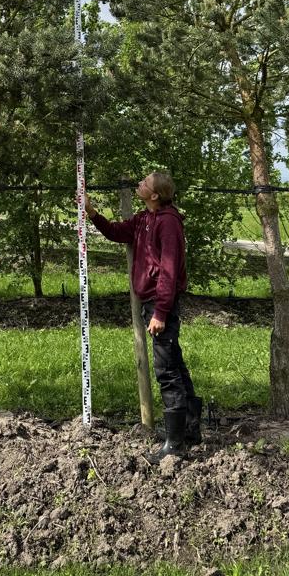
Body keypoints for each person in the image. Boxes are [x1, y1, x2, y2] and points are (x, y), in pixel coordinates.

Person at [85, 171, 201, 459]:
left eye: (145, 183)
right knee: (174, 361)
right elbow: (116, 232)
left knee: (166, 369)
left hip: (161, 304)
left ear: (155, 195)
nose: (140, 183)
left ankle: (175, 444)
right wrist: (92, 213)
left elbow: (169, 271)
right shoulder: (144, 219)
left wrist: (160, 312)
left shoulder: (168, 223)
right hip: (153, 302)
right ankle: (189, 428)